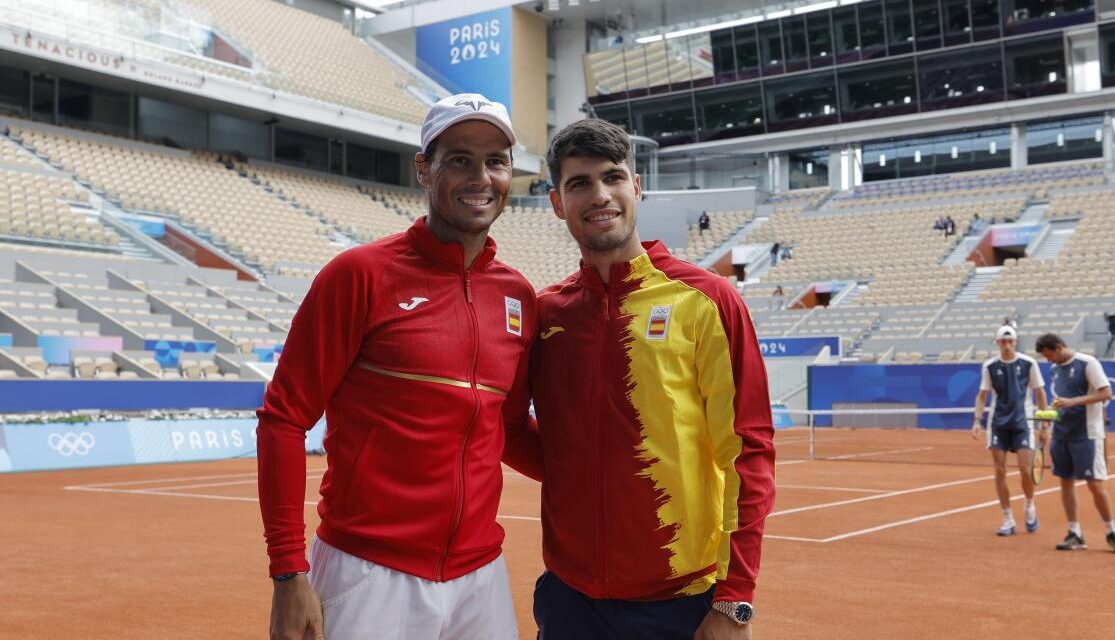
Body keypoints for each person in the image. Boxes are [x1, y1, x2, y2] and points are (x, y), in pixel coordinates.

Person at [256, 93, 541, 640]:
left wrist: (604, 470)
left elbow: (505, 430)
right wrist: (289, 571)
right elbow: (284, 419)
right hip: (368, 573)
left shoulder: (518, 296)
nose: (480, 176)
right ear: (423, 169)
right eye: (459, 158)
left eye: (495, 161)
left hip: (481, 577)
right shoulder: (358, 275)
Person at [526, 118, 776, 639]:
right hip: (570, 599)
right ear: (556, 202)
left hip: (680, 602)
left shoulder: (706, 300)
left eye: (613, 177)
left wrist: (735, 601)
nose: (600, 195)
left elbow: (748, 451)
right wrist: (576, 473)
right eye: (579, 183)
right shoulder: (548, 312)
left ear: (636, 187)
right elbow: (506, 427)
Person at [1034, 333, 1115, 555]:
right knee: (1065, 482)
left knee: (1095, 485)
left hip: (1086, 434)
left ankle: (1111, 532)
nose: (1048, 361)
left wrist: (1073, 402)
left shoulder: (1088, 363)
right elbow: (1058, 403)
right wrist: (1044, 423)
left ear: (1058, 348)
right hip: (1061, 434)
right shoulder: (1054, 369)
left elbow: (1107, 393)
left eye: (1049, 356)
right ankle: (1074, 532)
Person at [972, 325, 1049, 536]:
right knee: (999, 471)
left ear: (1015, 342)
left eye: (1010, 341)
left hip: (1022, 424)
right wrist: (977, 420)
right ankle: (1007, 518)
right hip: (997, 423)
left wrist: (1045, 422)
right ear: (997, 343)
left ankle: (1030, 504)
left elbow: (1040, 394)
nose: (1006, 345)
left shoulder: (1029, 363)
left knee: (1026, 469)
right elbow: (982, 396)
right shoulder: (989, 366)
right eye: (1003, 342)